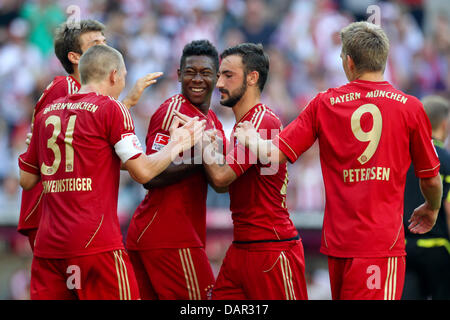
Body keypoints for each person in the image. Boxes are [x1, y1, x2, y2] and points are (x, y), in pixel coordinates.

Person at [234, 22, 443, 300]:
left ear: (349, 62)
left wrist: (250, 137)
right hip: (380, 246)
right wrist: (431, 207)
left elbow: (275, 154)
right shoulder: (411, 107)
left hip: (338, 246)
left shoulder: (323, 103)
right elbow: (430, 177)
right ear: (384, 59)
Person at [17, 45, 205, 300]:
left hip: (48, 247)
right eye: (125, 77)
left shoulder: (46, 113)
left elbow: (27, 180)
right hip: (95, 245)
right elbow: (143, 173)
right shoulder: (112, 108)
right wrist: (179, 143)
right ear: (114, 75)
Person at [18, 19, 162, 251]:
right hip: (52, 210)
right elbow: (75, 145)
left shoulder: (88, 98)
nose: (103, 47)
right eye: (96, 44)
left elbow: (89, 143)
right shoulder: (65, 87)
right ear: (75, 57)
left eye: (105, 42)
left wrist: (127, 103)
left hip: (65, 214)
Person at [182, 43, 309, 300]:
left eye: (228, 75)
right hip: (243, 246)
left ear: (252, 78)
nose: (218, 84)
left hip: (271, 250)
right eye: (219, 75)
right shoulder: (246, 124)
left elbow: (220, 176)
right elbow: (223, 185)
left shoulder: (262, 121)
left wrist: (202, 142)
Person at [126, 40, 225, 300]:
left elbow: (219, 181)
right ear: (179, 75)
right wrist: (202, 155)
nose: (197, 79)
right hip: (169, 235)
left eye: (205, 73)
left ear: (216, 76)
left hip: (169, 234)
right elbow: (151, 175)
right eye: (190, 72)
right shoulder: (173, 111)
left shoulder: (212, 121)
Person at [402, 95, 450, 300]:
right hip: (437, 249)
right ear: (444, 123)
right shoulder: (446, 160)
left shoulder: (403, 155)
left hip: (404, 248)